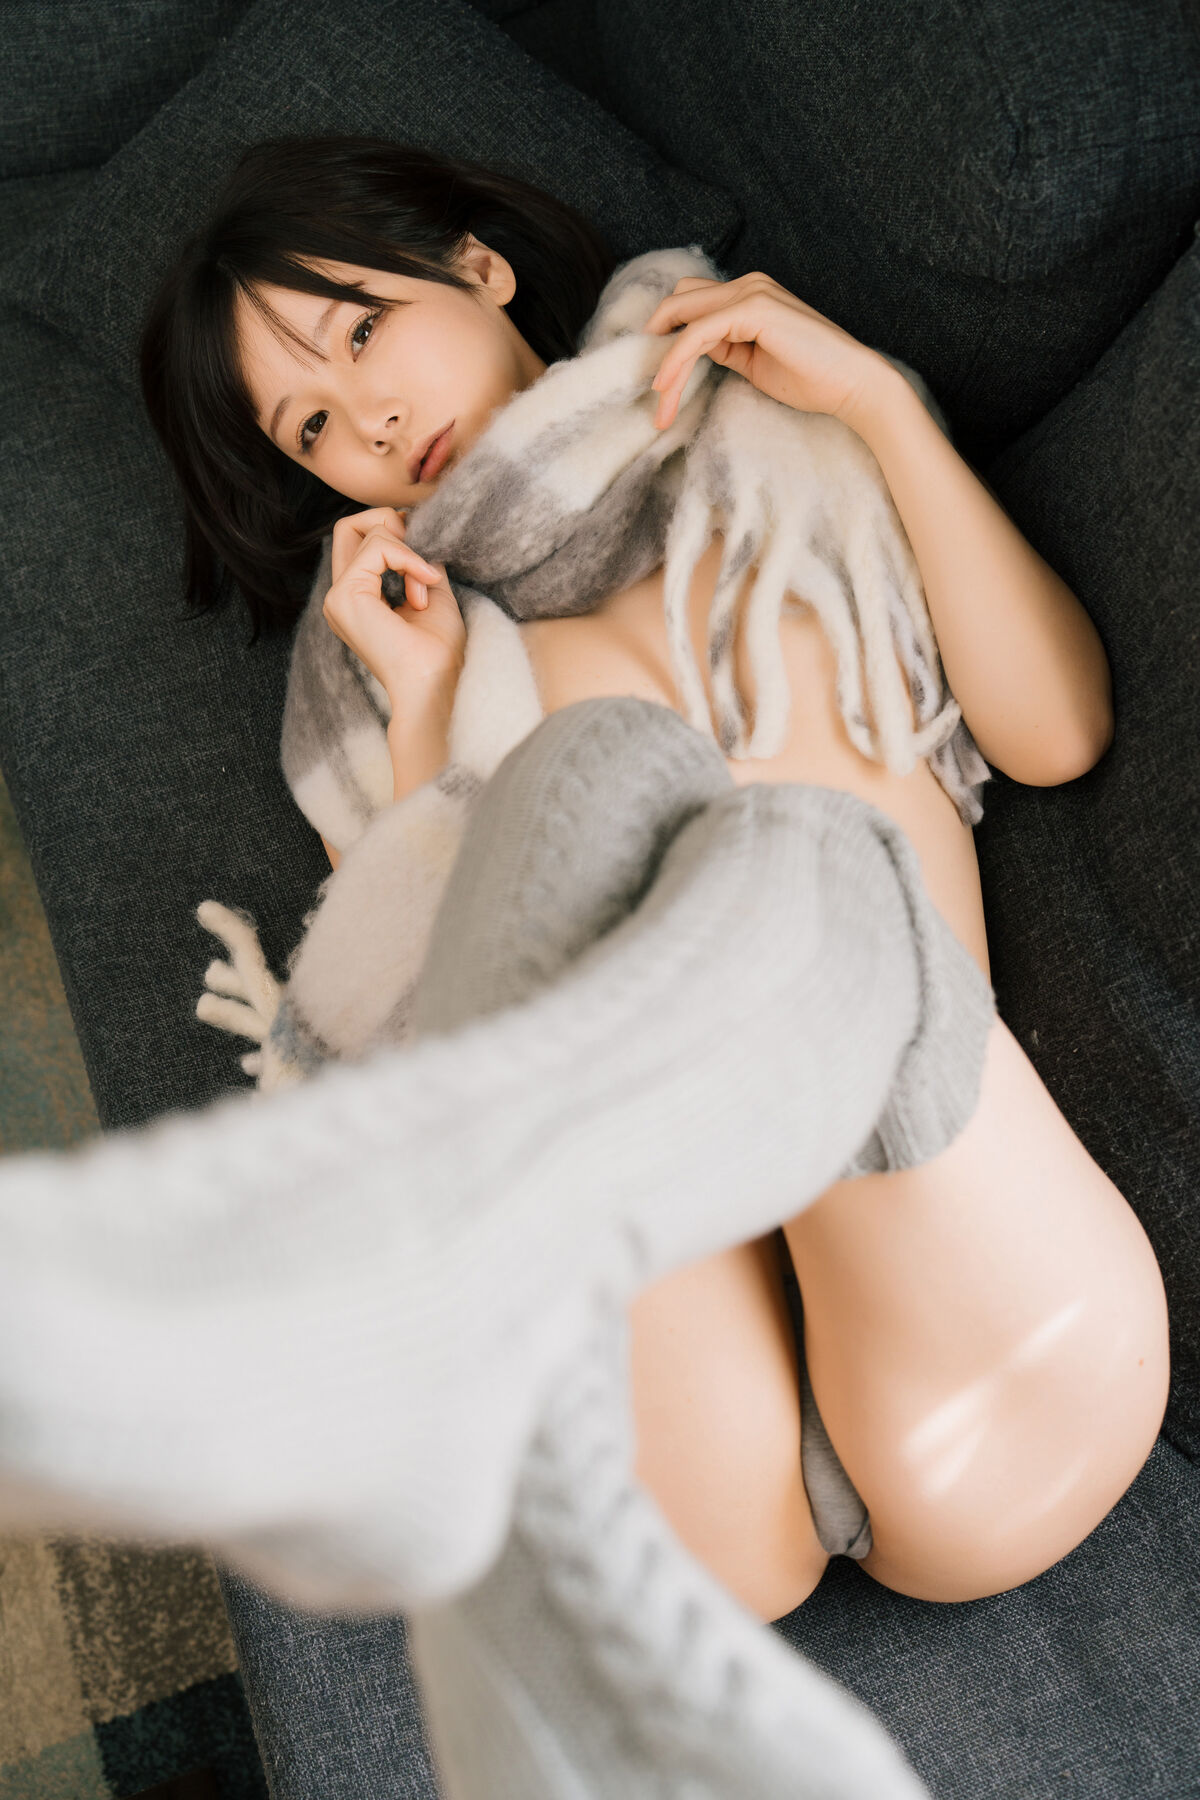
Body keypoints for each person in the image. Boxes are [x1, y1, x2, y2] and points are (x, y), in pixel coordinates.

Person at [138, 135, 1169, 1627]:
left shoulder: (769, 422)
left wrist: (880, 406)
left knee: (750, 862)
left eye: (361, 332)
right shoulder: (378, 671)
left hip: (974, 1324)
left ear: (480, 266)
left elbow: (1054, 731)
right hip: (689, 1425)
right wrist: (429, 728)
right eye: (312, 426)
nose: (369, 417)